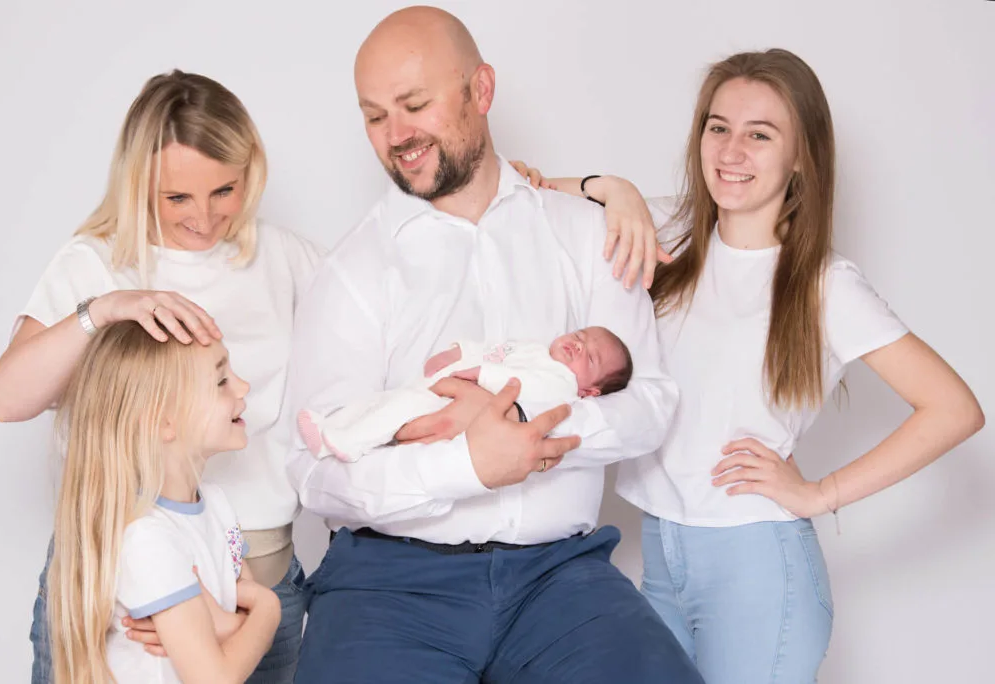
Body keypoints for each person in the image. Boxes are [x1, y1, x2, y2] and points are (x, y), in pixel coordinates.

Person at [526, 48, 985, 683]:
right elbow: (524, 194)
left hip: (759, 572)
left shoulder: (825, 285)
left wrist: (820, 494)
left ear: (801, 156)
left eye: (759, 134)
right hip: (658, 558)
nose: (731, 151)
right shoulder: (669, 231)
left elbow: (955, 409)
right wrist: (615, 189)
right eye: (719, 127)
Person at [286, 7, 702, 684]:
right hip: (389, 584)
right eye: (374, 115)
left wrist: (524, 430)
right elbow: (311, 471)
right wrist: (469, 464)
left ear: (481, 91)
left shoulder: (589, 235)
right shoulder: (351, 272)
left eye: (414, 104)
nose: (396, 135)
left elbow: (650, 402)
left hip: (560, 581)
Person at [0, 70, 320, 683]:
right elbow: (6, 400)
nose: (204, 219)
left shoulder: (289, 259)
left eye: (225, 190)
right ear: (140, 183)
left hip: (255, 572)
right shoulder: (96, 262)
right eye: (177, 199)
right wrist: (104, 311)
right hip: (118, 587)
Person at [48, 321, 281, 683]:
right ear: (163, 421)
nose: (243, 386)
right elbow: (216, 674)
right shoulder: (146, 537)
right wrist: (268, 609)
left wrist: (226, 624)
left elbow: (233, 625)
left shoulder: (215, 505)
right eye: (221, 382)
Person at [296, 326, 633, 462]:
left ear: (590, 390)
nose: (578, 344)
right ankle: (331, 426)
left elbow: (525, 385)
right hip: (446, 386)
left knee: (397, 410)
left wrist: (481, 373)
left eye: (589, 356)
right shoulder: (535, 349)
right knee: (384, 402)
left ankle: (347, 442)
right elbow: (495, 349)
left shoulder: (562, 383)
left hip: (456, 399)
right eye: (580, 335)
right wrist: (458, 351)